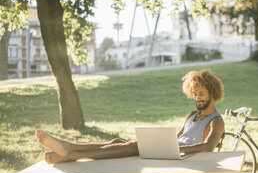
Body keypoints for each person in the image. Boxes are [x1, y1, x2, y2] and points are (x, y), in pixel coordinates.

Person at [35, 69, 225, 164]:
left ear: (212, 93)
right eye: (195, 94)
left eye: (201, 94)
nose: (198, 98)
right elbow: (176, 138)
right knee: (119, 141)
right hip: (171, 151)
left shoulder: (217, 121)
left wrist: (176, 149)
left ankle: (70, 151)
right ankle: (69, 154)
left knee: (134, 146)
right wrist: (166, 144)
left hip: (182, 159)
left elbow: (208, 147)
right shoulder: (193, 115)